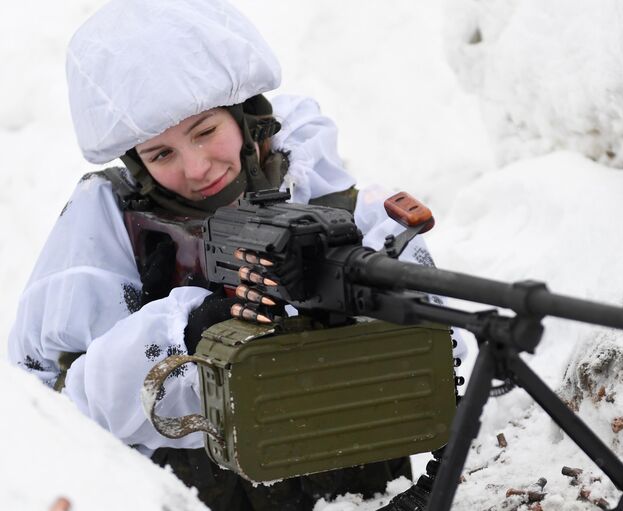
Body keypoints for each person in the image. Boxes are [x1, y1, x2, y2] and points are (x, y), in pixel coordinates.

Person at [8, 0, 464, 510]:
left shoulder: (325, 193)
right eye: (162, 154)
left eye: (206, 132)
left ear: (249, 119)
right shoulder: (108, 224)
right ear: (137, 165)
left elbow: (449, 347)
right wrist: (184, 331)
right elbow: (54, 406)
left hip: (361, 485)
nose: (197, 167)